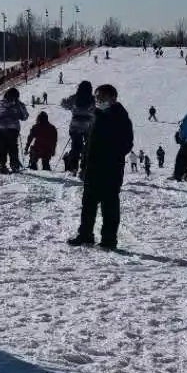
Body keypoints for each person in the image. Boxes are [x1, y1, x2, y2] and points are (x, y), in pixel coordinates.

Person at [68, 83, 133, 249]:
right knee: (88, 202)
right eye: (97, 97)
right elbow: (89, 144)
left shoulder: (120, 116)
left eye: (102, 97)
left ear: (113, 98)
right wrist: (84, 165)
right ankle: (85, 235)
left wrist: (111, 155)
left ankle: (109, 240)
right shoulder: (95, 115)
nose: (99, 100)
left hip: (111, 168)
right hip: (92, 167)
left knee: (109, 204)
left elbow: (126, 143)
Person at [60, 81, 97, 175]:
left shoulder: (74, 98)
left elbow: (64, 104)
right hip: (88, 126)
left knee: (76, 146)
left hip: (75, 126)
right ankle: (84, 167)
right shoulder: (93, 99)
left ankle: (73, 167)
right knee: (88, 147)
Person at [0, 88, 29, 173]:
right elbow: (24, 116)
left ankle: (2, 164)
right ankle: (14, 165)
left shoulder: (1, 103)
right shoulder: (18, 104)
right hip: (13, 128)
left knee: (3, 146)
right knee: (13, 147)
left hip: (1, 128)